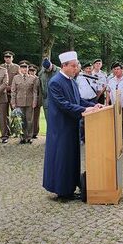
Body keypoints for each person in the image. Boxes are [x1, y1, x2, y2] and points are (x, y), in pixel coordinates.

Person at [43, 51, 100, 200]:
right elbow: (63, 104)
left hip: (71, 125)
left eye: (77, 66)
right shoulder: (55, 82)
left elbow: (78, 100)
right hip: (61, 128)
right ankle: (62, 191)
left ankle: (70, 186)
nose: (76, 69)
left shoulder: (72, 81)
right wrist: (83, 110)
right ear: (64, 66)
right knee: (62, 158)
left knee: (72, 157)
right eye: (74, 66)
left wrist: (94, 105)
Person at [11, 61, 38, 144]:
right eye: (22, 67)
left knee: (30, 120)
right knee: (21, 121)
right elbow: (13, 91)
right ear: (20, 69)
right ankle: (22, 137)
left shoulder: (33, 78)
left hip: (30, 102)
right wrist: (13, 102)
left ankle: (29, 137)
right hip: (19, 102)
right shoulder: (16, 78)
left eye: (25, 68)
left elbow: (35, 91)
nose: (24, 69)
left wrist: (34, 101)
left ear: (28, 69)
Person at [28, 65, 41, 138]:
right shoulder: (26, 78)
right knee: (28, 118)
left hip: (37, 100)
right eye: (30, 70)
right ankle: (28, 132)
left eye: (33, 71)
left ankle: (35, 133)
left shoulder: (38, 79)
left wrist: (38, 100)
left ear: (36, 72)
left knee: (36, 117)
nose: (32, 72)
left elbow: (40, 91)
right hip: (27, 100)